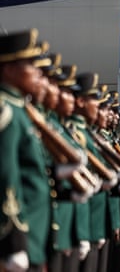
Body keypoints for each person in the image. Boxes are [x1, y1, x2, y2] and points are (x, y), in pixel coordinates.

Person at [0, 28, 52, 272]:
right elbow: (6, 176)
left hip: (32, 237)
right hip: (15, 237)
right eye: (30, 65)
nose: (38, 73)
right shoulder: (5, 111)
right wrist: (14, 240)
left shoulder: (17, 107)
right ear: (9, 70)